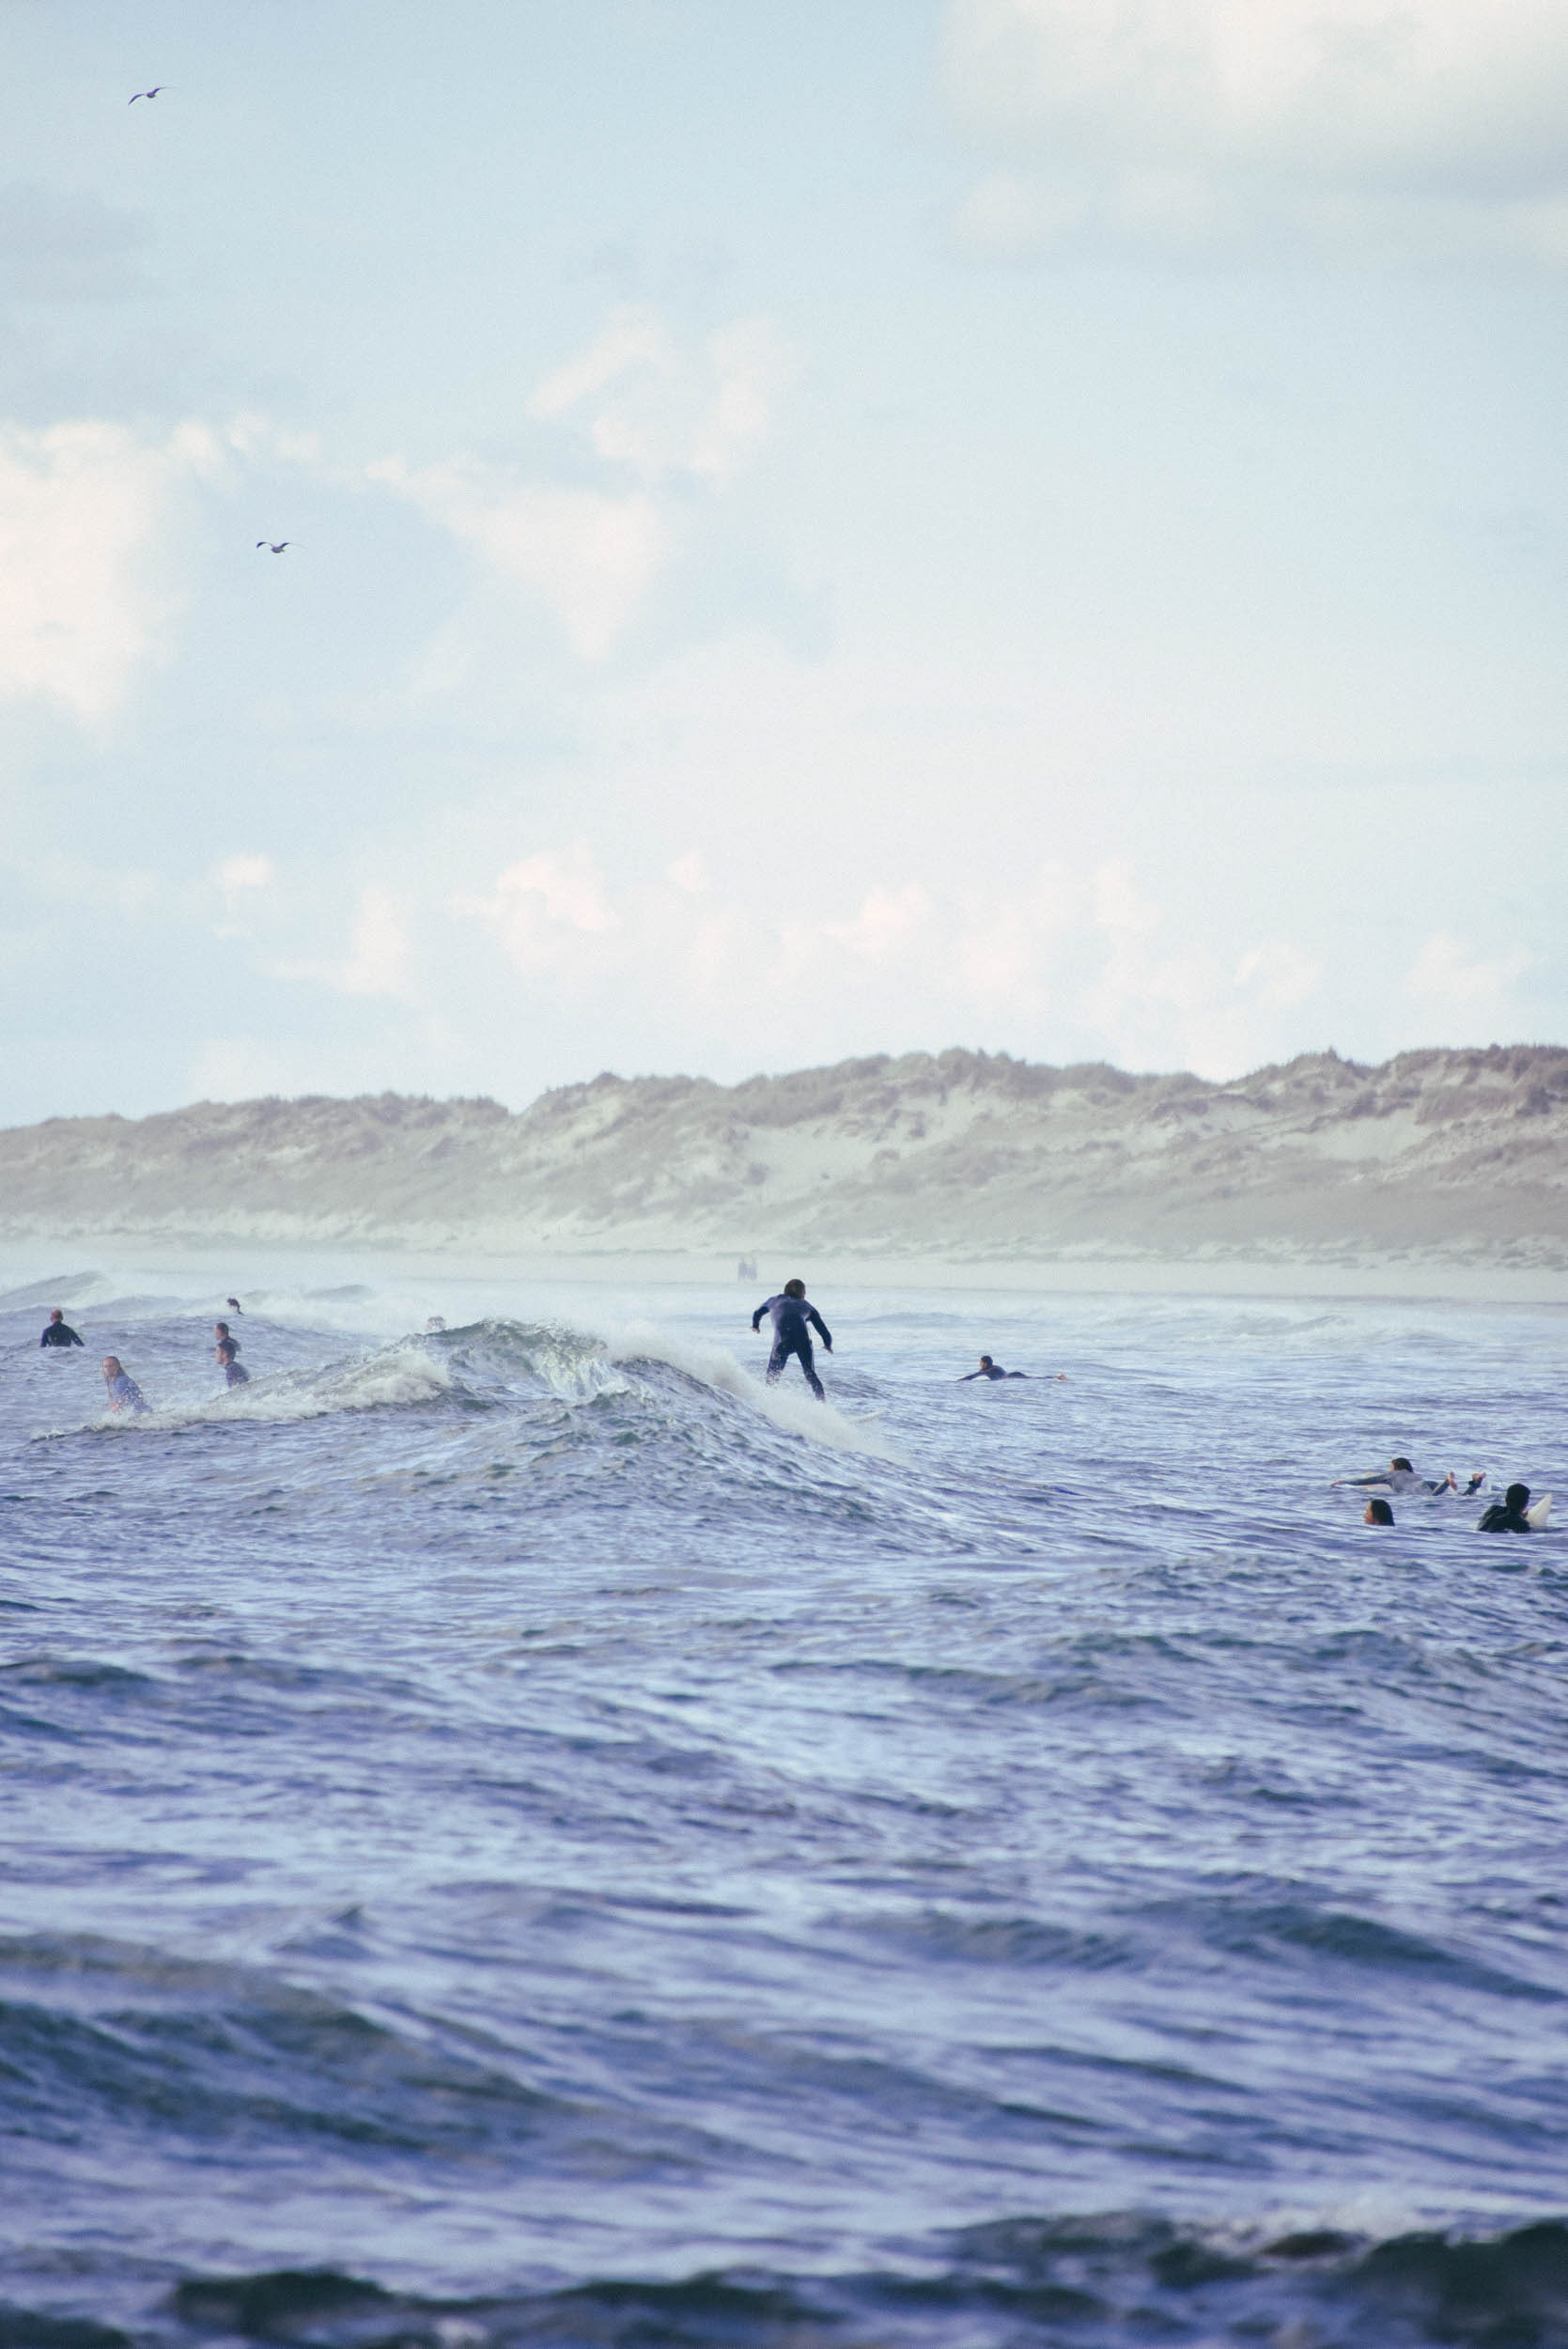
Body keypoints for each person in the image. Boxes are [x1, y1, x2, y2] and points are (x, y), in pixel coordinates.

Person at [751, 1277, 831, 1400]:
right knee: (810, 1374)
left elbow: (757, 1312)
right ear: (802, 1293)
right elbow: (823, 1330)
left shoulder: (774, 1300)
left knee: (772, 1377)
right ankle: (823, 1404)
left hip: (782, 1342)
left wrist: (756, 1325)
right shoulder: (808, 1306)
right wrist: (827, 1344)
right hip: (802, 1339)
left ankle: (767, 1403)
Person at [1334, 1457, 1453, 1495]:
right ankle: (1448, 1483)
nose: (1388, 1469)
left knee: (1429, 1497)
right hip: (1426, 1482)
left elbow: (1366, 1480)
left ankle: (1447, 1482)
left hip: (1411, 1489)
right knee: (1434, 1493)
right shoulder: (1413, 1474)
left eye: (1390, 1466)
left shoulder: (1391, 1475)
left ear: (1394, 1467)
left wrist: (1345, 1482)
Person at [960, 1355, 1027, 1381]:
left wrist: (959, 1381)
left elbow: (972, 1376)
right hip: (1014, 1374)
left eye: (981, 1362)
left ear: (984, 1363)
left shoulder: (989, 1370)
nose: (979, 1364)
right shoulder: (996, 1367)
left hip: (1012, 1376)